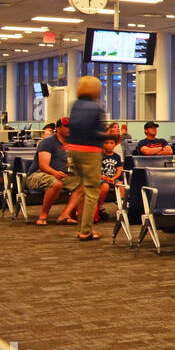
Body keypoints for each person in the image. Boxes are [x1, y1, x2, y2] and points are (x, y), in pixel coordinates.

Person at [63, 75, 107, 241]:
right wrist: (108, 135)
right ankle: (86, 231)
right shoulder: (96, 107)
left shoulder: (75, 105)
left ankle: (78, 220)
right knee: (92, 190)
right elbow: (94, 132)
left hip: (73, 149)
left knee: (82, 187)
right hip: (90, 151)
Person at [26, 118, 77, 225]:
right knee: (56, 183)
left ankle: (65, 214)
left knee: (83, 184)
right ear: (58, 129)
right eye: (67, 127)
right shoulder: (48, 142)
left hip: (61, 175)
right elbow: (43, 165)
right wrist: (55, 173)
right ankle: (43, 216)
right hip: (38, 174)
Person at [96, 134, 124, 223]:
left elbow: (119, 170)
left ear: (115, 144)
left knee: (120, 185)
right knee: (105, 186)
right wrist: (104, 178)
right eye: (106, 143)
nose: (109, 145)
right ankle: (99, 207)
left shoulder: (116, 156)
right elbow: (95, 171)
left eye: (111, 143)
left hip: (113, 178)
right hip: (102, 178)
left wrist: (114, 178)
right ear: (103, 144)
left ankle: (122, 208)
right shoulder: (99, 155)